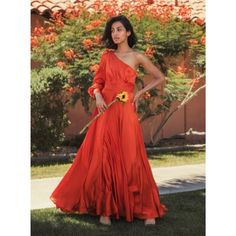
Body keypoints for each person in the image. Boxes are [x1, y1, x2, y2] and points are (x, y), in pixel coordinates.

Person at [50, 15, 167, 226]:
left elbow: (159, 77)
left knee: (132, 158)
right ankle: (105, 209)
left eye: (119, 29)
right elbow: (97, 83)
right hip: (105, 112)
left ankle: (146, 209)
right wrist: (98, 96)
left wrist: (139, 94)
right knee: (104, 157)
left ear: (128, 32)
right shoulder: (107, 57)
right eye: (112, 30)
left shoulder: (137, 56)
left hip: (126, 112)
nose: (115, 33)